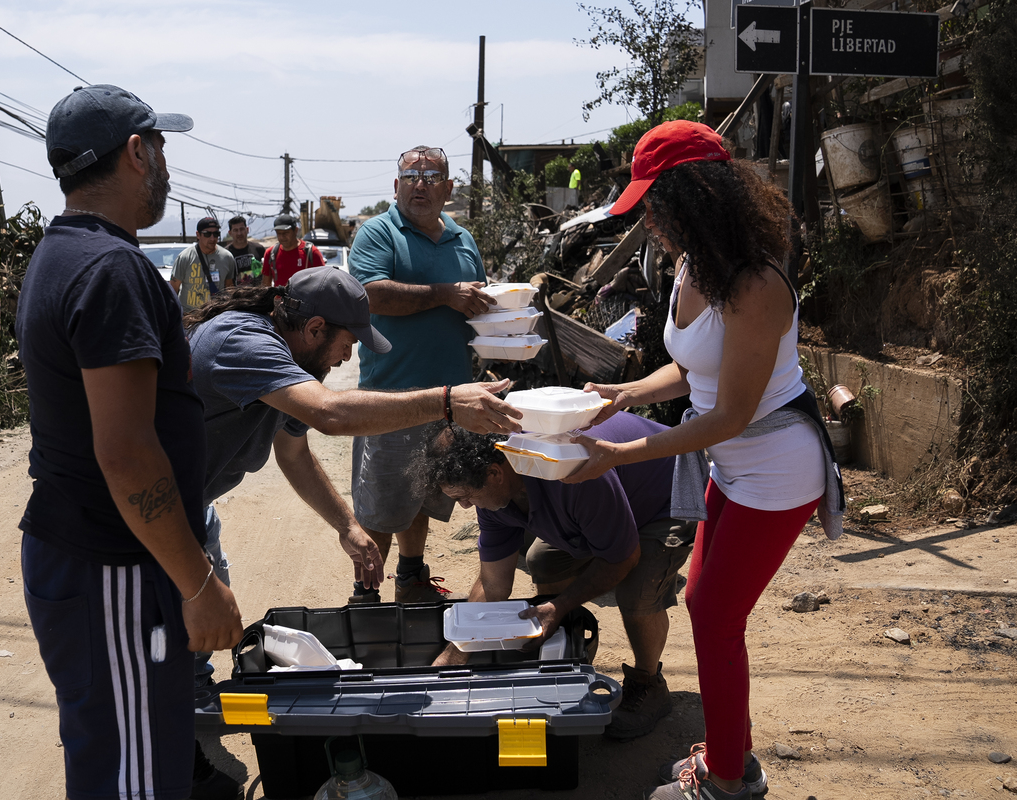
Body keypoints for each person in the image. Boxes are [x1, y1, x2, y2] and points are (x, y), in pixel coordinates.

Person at [561, 120, 844, 800]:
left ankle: (725, 780)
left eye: (656, 203)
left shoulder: (756, 283)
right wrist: (622, 393)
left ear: (696, 197)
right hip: (728, 463)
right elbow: (692, 373)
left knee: (716, 616)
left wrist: (624, 451)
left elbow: (732, 412)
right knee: (701, 602)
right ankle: (730, 749)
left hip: (776, 471)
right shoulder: (694, 263)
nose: (650, 220)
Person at [15, 85, 244, 800]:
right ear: (137, 153)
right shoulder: (110, 270)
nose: (168, 167)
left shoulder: (64, 253)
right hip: (110, 567)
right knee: (136, 778)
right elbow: (126, 452)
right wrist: (200, 583)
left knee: (116, 755)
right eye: (162, 148)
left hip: (93, 561)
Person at [183, 267, 521, 685]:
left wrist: (347, 526)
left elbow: (293, 452)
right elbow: (330, 413)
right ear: (315, 328)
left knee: (195, 635)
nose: (346, 357)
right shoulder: (241, 342)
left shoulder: (287, 360)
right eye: (347, 344)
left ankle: (189, 696)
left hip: (192, 506)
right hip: (155, 510)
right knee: (175, 625)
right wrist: (447, 402)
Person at [416, 414, 697, 740]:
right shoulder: (493, 493)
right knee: (543, 560)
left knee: (637, 594)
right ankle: (564, 645)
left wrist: (561, 604)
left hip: (666, 494)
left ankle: (648, 683)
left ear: (495, 473)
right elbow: (493, 584)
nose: (464, 506)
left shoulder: (571, 474)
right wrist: (456, 651)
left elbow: (623, 558)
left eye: (464, 496)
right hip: (606, 504)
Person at [348, 144, 498, 604]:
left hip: (451, 399)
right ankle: (366, 594)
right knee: (380, 503)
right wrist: (444, 294)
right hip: (390, 399)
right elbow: (371, 295)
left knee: (424, 495)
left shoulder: (463, 239)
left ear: (448, 189)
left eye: (433, 177)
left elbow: (476, 302)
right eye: (411, 177)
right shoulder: (376, 233)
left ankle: (411, 576)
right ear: (396, 186)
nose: (421, 185)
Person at [171, 216, 237, 311]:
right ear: (198, 235)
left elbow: (230, 289)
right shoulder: (185, 257)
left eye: (216, 234)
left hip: (215, 316)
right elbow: (173, 290)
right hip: (189, 317)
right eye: (207, 234)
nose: (212, 238)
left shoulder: (227, 257)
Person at [263, 214, 324, 286]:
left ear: (296, 230)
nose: (282, 237)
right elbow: (266, 284)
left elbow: (322, 281)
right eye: (279, 233)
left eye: (286, 233)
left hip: (303, 297)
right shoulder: (271, 253)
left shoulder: (311, 252)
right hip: (279, 297)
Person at [223, 215, 266, 287]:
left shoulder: (259, 249)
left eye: (242, 229)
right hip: (236, 297)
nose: (239, 233)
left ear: (247, 229)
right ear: (230, 233)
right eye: (235, 230)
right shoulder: (225, 254)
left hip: (259, 295)